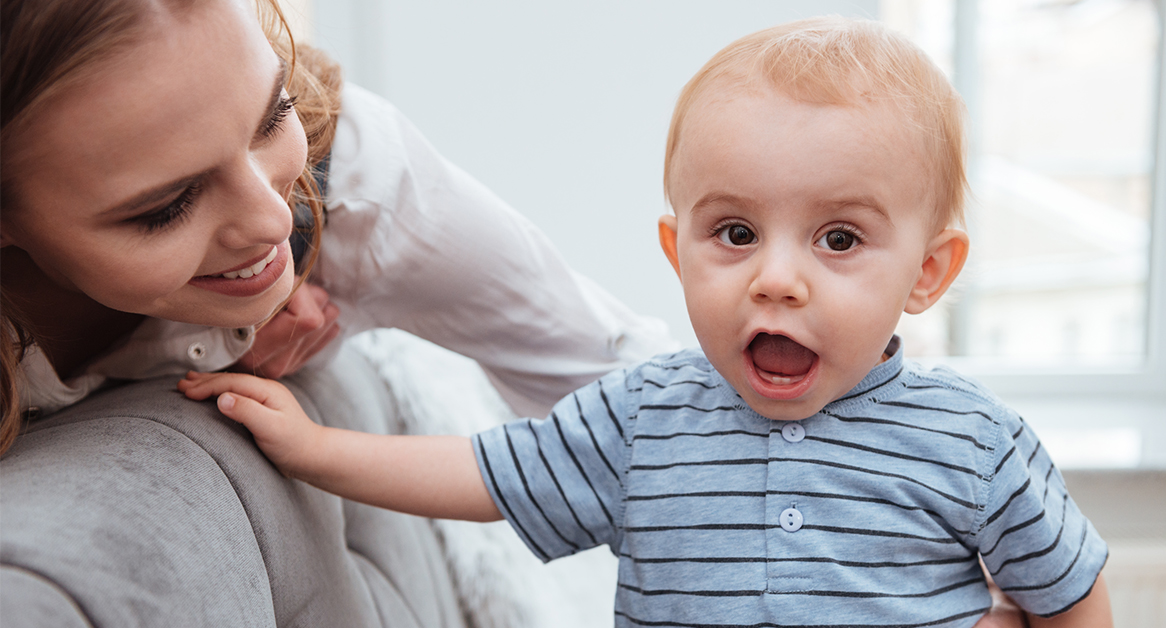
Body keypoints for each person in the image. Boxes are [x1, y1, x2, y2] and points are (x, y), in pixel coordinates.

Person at [178, 16, 1110, 628]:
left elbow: (1070, 594)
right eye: (736, 233)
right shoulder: (644, 415)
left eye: (838, 238)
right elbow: (482, 472)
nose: (776, 280)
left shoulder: (974, 440)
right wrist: (312, 449)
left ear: (929, 272)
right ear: (677, 250)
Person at [0, 0, 674, 452]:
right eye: (166, 207)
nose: (272, 217)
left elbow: (650, 407)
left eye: (271, 116)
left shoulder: (354, 180)